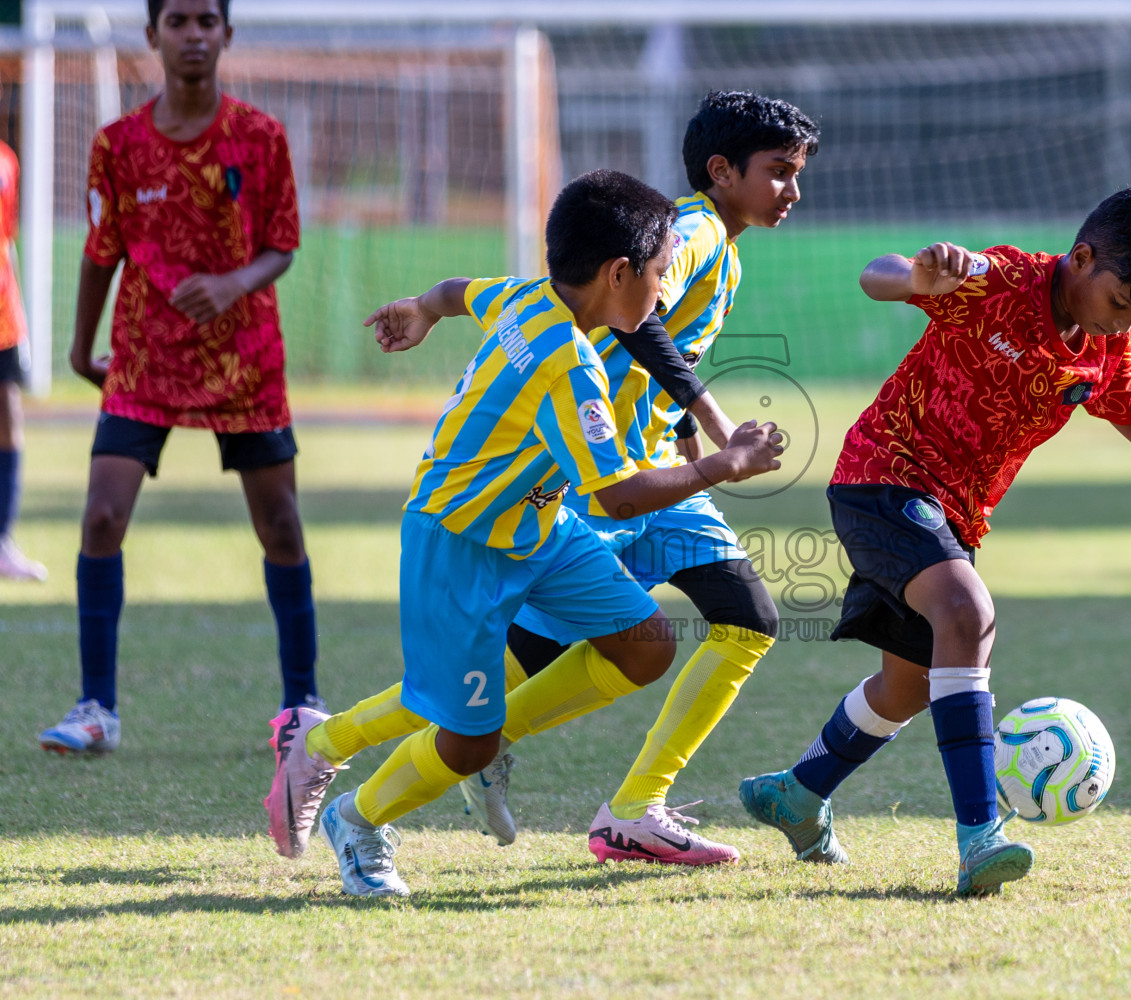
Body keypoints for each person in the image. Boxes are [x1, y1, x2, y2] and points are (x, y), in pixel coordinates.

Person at [738, 183, 1131, 897]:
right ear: (1081, 258)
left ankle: (798, 794)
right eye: (1122, 303)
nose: (1125, 325)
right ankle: (979, 838)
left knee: (907, 687)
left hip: (954, 515)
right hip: (882, 476)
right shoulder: (1000, 281)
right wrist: (916, 278)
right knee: (967, 614)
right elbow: (877, 274)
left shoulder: (1102, 343)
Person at [264, 170, 783, 897]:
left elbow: (457, 292)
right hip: (461, 541)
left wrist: (422, 308)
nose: (663, 296)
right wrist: (725, 463)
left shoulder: (522, 297)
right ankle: (356, 813)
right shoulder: (568, 365)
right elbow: (621, 494)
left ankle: (445, 735)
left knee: (644, 645)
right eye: (661, 276)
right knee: (457, 728)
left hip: (540, 527)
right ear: (617, 273)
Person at [462, 90, 820, 865]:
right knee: (537, 649)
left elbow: (662, 349)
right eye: (779, 171)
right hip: (611, 473)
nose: (792, 190)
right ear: (721, 170)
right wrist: (721, 430)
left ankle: (633, 809)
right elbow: (638, 317)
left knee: (746, 618)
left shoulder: (718, 242)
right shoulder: (691, 228)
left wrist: (688, 438)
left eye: (797, 174)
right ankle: (370, 755)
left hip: (657, 464)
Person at [38, 0, 315, 756]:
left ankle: (302, 704)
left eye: (207, 20)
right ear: (153, 34)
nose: (193, 33)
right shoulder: (117, 145)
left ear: (226, 34)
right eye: (178, 20)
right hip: (144, 356)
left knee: (282, 527)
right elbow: (101, 253)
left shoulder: (259, 136)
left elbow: (283, 243)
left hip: (245, 359)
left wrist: (232, 282)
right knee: (100, 516)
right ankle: (96, 708)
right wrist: (77, 345)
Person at [0, 136, 46, 583]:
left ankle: (2, 542)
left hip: (3, 321)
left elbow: (6, 244)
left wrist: (20, 316)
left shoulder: (6, 161)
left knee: (10, 419)